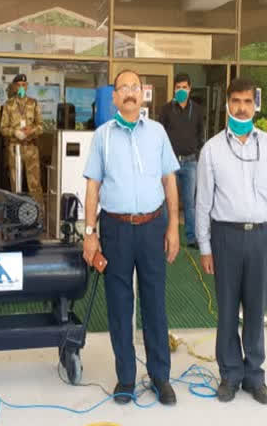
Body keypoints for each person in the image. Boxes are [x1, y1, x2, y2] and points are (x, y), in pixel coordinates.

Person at [82, 69, 181, 406]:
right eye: (122, 87)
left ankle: (160, 377)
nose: (128, 93)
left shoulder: (157, 133)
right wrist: (90, 234)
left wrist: (173, 227)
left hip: (154, 227)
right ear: (114, 96)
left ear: (143, 94)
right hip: (116, 229)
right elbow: (92, 186)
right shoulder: (102, 137)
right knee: (120, 306)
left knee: (155, 304)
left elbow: (169, 181)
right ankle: (125, 377)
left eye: (134, 87)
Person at [196, 77, 267, 405]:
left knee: (256, 308)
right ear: (227, 104)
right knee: (226, 310)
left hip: (262, 238)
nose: (241, 107)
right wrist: (205, 246)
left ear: (255, 105)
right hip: (226, 238)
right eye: (235, 101)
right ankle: (230, 374)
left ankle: (254, 375)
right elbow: (202, 203)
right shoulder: (212, 150)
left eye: (247, 102)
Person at [159, 73, 204, 248]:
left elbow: (201, 134)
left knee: (189, 202)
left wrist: (197, 153)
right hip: (170, 164)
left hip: (190, 163)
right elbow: (159, 136)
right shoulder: (166, 110)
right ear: (174, 89)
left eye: (184, 87)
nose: (181, 90)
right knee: (166, 201)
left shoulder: (198, 110)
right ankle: (164, 235)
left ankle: (192, 238)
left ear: (190, 89)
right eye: (178, 87)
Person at [0, 74, 43, 206]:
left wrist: (31, 131)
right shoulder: (8, 105)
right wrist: (15, 132)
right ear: (14, 87)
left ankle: (39, 214)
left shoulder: (34, 103)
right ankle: (16, 214)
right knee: (15, 183)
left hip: (31, 148)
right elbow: (2, 128)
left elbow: (41, 127)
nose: (21, 87)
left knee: (34, 184)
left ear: (27, 86)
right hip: (15, 149)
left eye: (23, 85)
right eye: (18, 85)